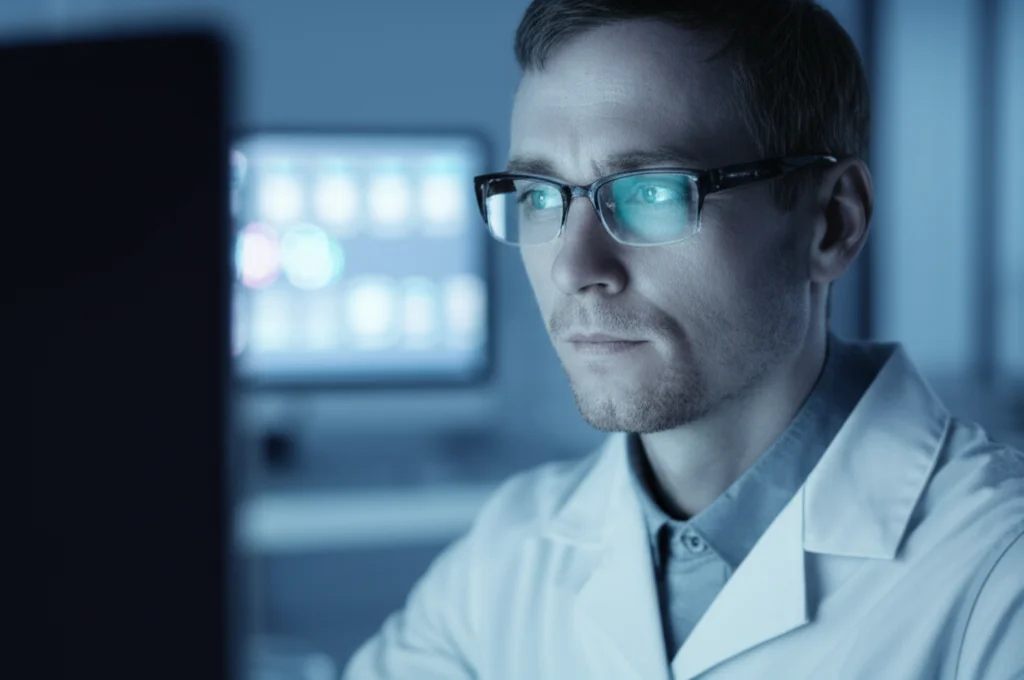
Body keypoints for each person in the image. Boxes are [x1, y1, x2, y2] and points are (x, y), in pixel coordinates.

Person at [343, 1, 1024, 678]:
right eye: (539, 195)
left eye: (652, 193)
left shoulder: (998, 577)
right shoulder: (503, 556)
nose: (573, 269)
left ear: (832, 224)